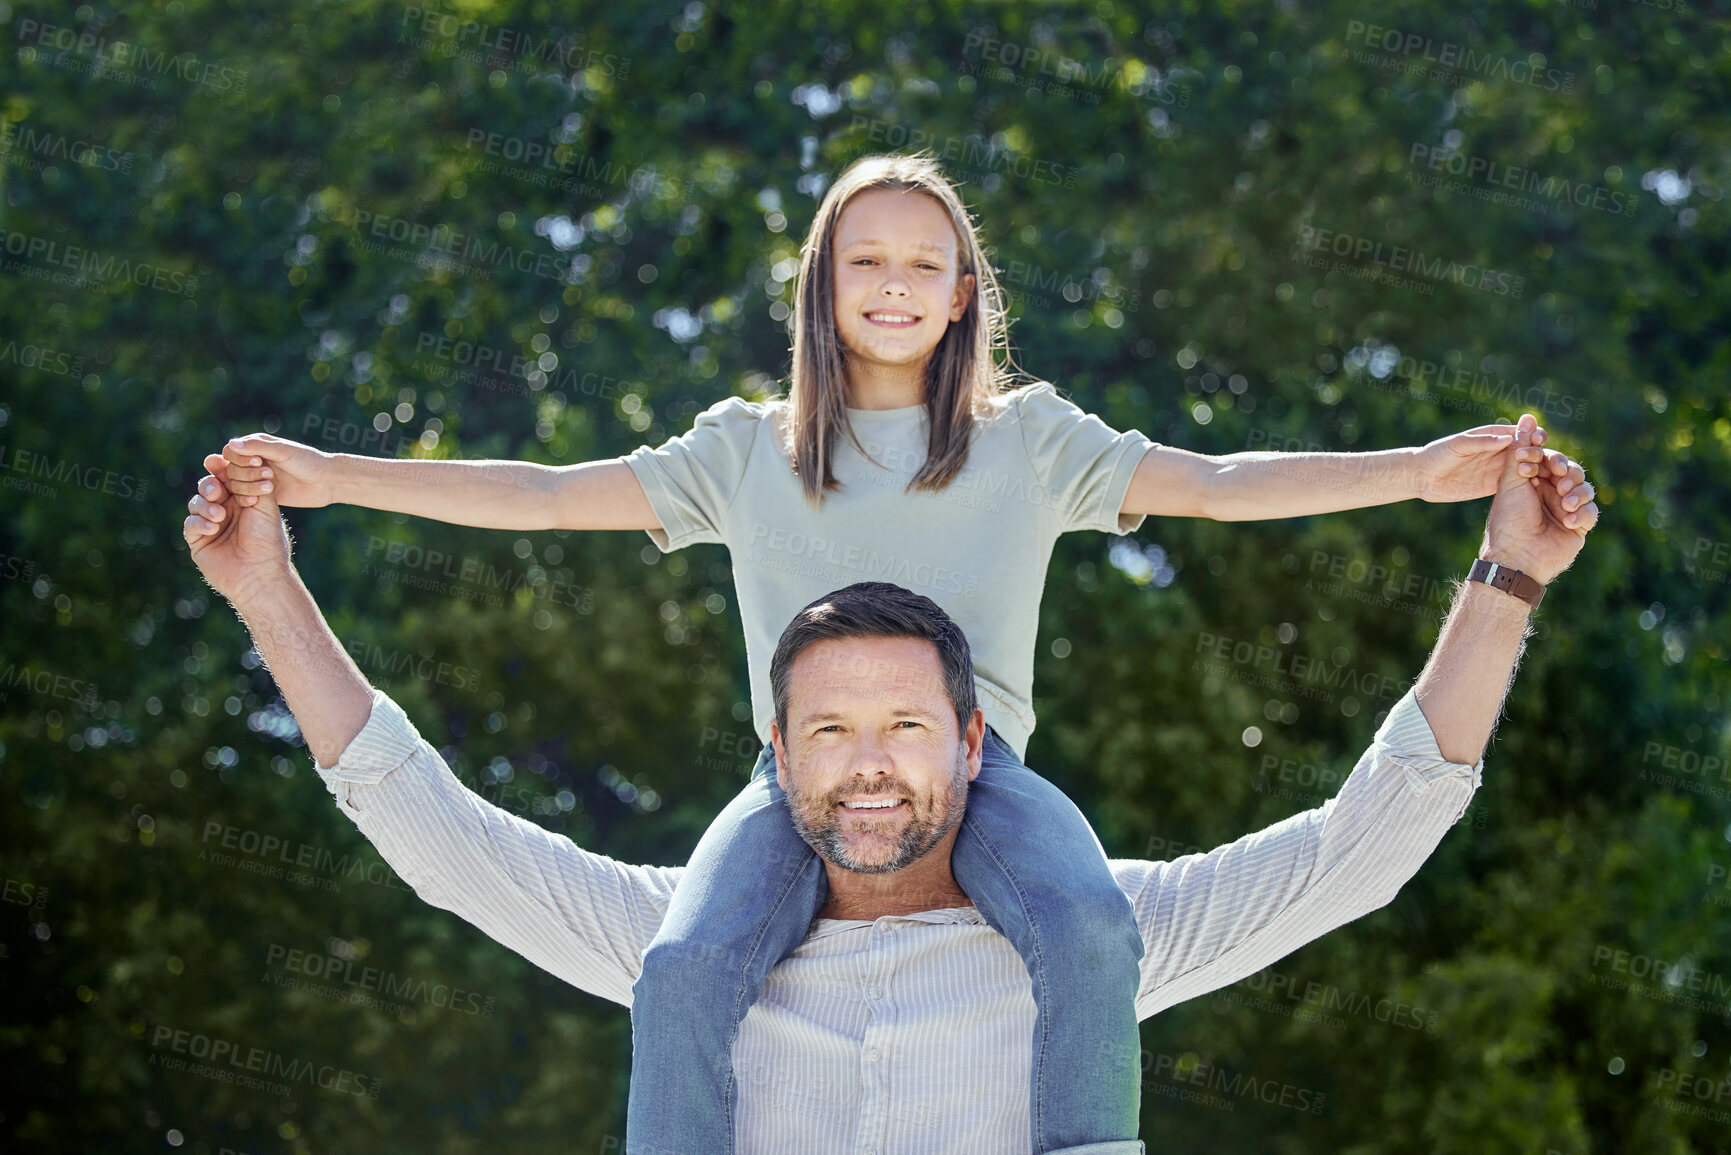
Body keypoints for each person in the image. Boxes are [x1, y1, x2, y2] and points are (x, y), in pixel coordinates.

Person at [189, 152, 1591, 1152]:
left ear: (969, 291)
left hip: (1004, 788)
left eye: (929, 261)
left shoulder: (1028, 441)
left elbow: (1219, 486)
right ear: (819, 284)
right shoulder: (745, 454)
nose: (898, 283)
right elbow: (552, 495)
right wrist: (339, 476)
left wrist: (1420, 473)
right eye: (867, 258)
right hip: (769, 800)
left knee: (1094, 926)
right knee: (682, 970)